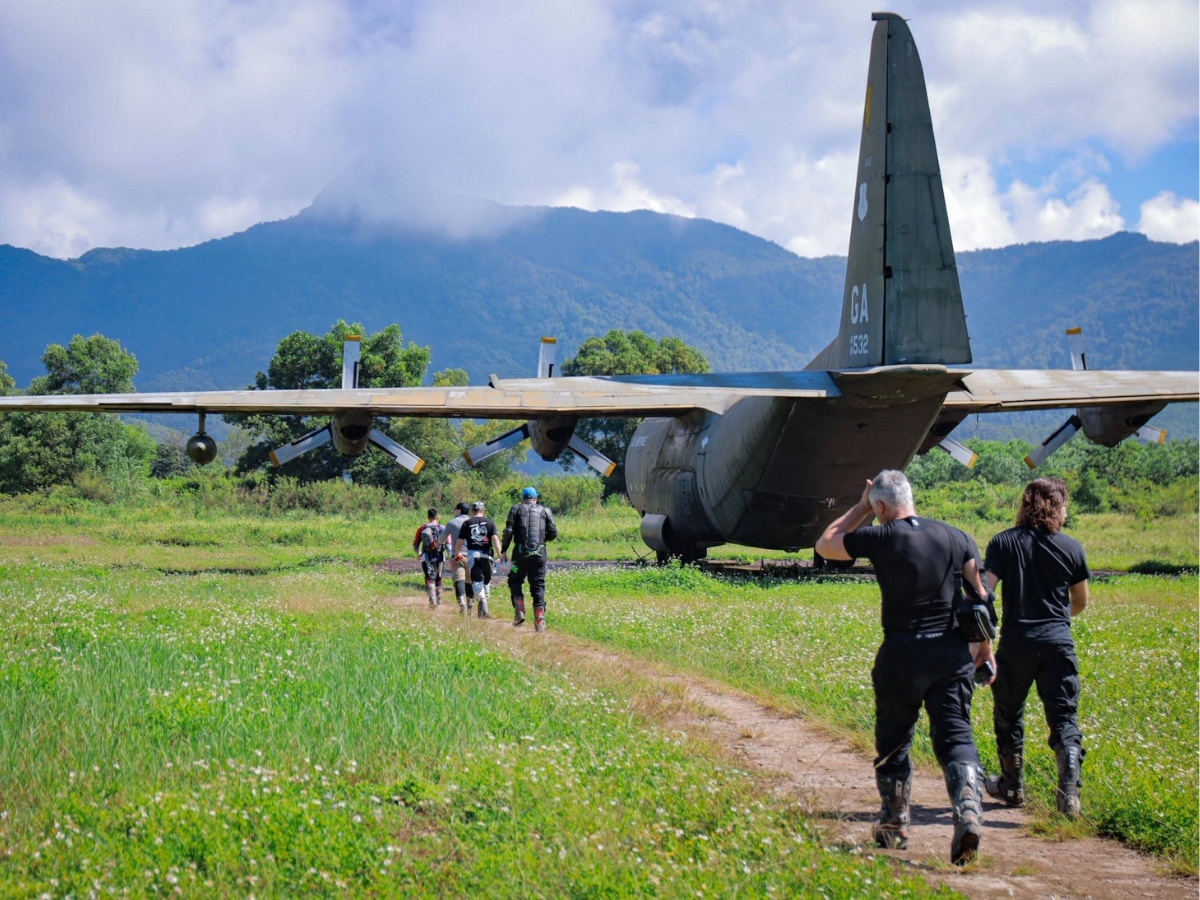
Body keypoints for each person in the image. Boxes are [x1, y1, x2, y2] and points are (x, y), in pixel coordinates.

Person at [816, 469, 995, 866]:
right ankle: (968, 808)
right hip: (951, 655)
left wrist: (860, 508)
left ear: (880, 505)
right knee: (956, 736)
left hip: (901, 654)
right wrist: (985, 647)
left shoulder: (881, 536)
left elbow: (826, 544)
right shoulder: (957, 536)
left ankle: (895, 824)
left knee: (895, 741)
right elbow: (980, 597)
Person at [982, 477, 1090, 818]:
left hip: (1016, 644)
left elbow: (984, 592)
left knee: (1008, 714)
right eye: (1065, 504)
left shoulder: (1002, 542)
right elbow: (1080, 602)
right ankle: (1069, 793)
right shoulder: (1072, 548)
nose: (1066, 511)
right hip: (1058, 643)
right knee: (1064, 718)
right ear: (1056, 506)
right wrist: (1055, 619)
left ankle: (1012, 787)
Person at [501, 486, 558, 632]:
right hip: (539, 555)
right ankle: (539, 619)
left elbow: (508, 531)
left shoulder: (516, 509)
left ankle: (519, 609)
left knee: (514, 579)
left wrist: (503, 549)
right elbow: (553, 532)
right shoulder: (545, 510)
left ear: (523, 498)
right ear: (536, 498)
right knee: (538, 584)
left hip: (519, 555)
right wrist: (543, 539)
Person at [453, 501, 501, 619]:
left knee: (477, 581)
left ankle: (483, 603)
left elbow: (460, 541)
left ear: (472, 511)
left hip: (473, 555)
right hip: (487, 556)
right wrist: (500, 555)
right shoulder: (490, 522)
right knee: (486, 581)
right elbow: (495, 539)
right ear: (483, 510)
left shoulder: (467, 523)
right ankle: (483, 607)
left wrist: (457, 553)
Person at [443, 502, 472, 614]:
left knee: (459, 579)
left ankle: (462, 604)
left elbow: (441, 539)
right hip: (472, 556)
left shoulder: (452, 522)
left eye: (455, 509)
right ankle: (470, 604)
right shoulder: (473, 522)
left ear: (459, 510)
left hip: (457, 556)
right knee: (469, 581)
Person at [412, 508, 445, 608]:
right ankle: (439, 602)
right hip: (440, 558)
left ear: (428, 517)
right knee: (439, 579)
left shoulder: (422, 528)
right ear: (438, 517)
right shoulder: (442, 528)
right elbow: (449, 544)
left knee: (430, 579)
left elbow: (415, 546)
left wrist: (419, 554)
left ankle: (432, 601)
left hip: (427, 557)